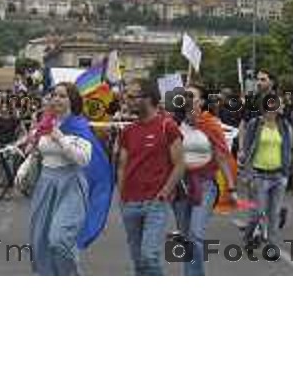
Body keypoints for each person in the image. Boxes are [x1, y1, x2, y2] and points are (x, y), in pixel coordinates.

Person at [28, 82, 113, 275]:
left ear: (72, 101)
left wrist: (61, 139)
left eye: (62, 96)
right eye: (54, 95)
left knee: (59, 240)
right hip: (46, 185)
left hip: (70, 185)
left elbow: (83, 159)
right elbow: (38, 150)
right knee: (40, 242)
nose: (56, 99)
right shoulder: (46, 123)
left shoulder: (78, 126)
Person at [117, 80, 184, 275]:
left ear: (147, 98)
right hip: (130, 203)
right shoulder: (128, 131)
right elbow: (122, 166)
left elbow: (180, 164)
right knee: (138, 261)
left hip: (156, 202)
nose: (126, 101)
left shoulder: (167, 126)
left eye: (131, 97)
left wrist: (164, 193)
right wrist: (122, 196)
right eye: (126, 96)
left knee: (149, 256)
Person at [172, 84, 235, 275]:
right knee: (185, 237)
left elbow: (221, 157)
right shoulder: (173, 124)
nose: (188, 98)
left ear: (201, 101)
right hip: (180, 187)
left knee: (195, 234)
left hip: (205, 186)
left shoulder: (210, 124)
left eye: (192, 95)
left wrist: (231, 188)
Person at [240, 101, 292, 246]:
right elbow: (247, 149)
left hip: (278, 175)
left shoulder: (285, 126)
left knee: (274, 213)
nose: (281, 107)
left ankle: (271, 243)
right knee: (257, 212)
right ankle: (249, 235)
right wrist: (247, 173)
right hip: (258, 175)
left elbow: (287, 150)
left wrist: (286, 175)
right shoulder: (255, 124)